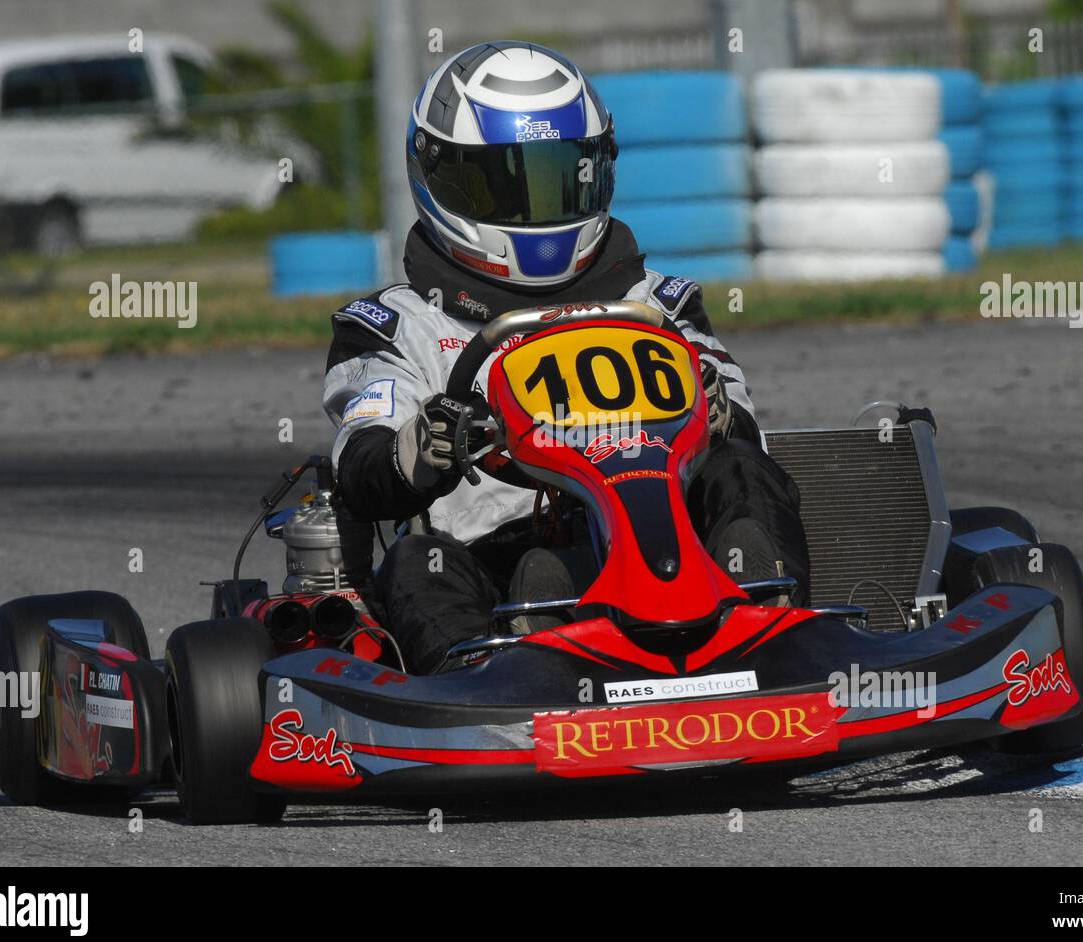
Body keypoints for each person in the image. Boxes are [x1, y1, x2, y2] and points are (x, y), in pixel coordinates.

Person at [322, 41, 809, 673]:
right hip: (493, 576)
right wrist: (418, 449)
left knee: (741, 466)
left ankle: (777, 631)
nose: (539, 206)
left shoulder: (655, 302)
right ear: (443, 176)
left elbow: (745, 423)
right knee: (420, 560)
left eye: (560, 177)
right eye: (508, 183)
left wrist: (716, 411)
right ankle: (485, 688)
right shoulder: (394, 327)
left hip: (672, 551)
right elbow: (361, 465)